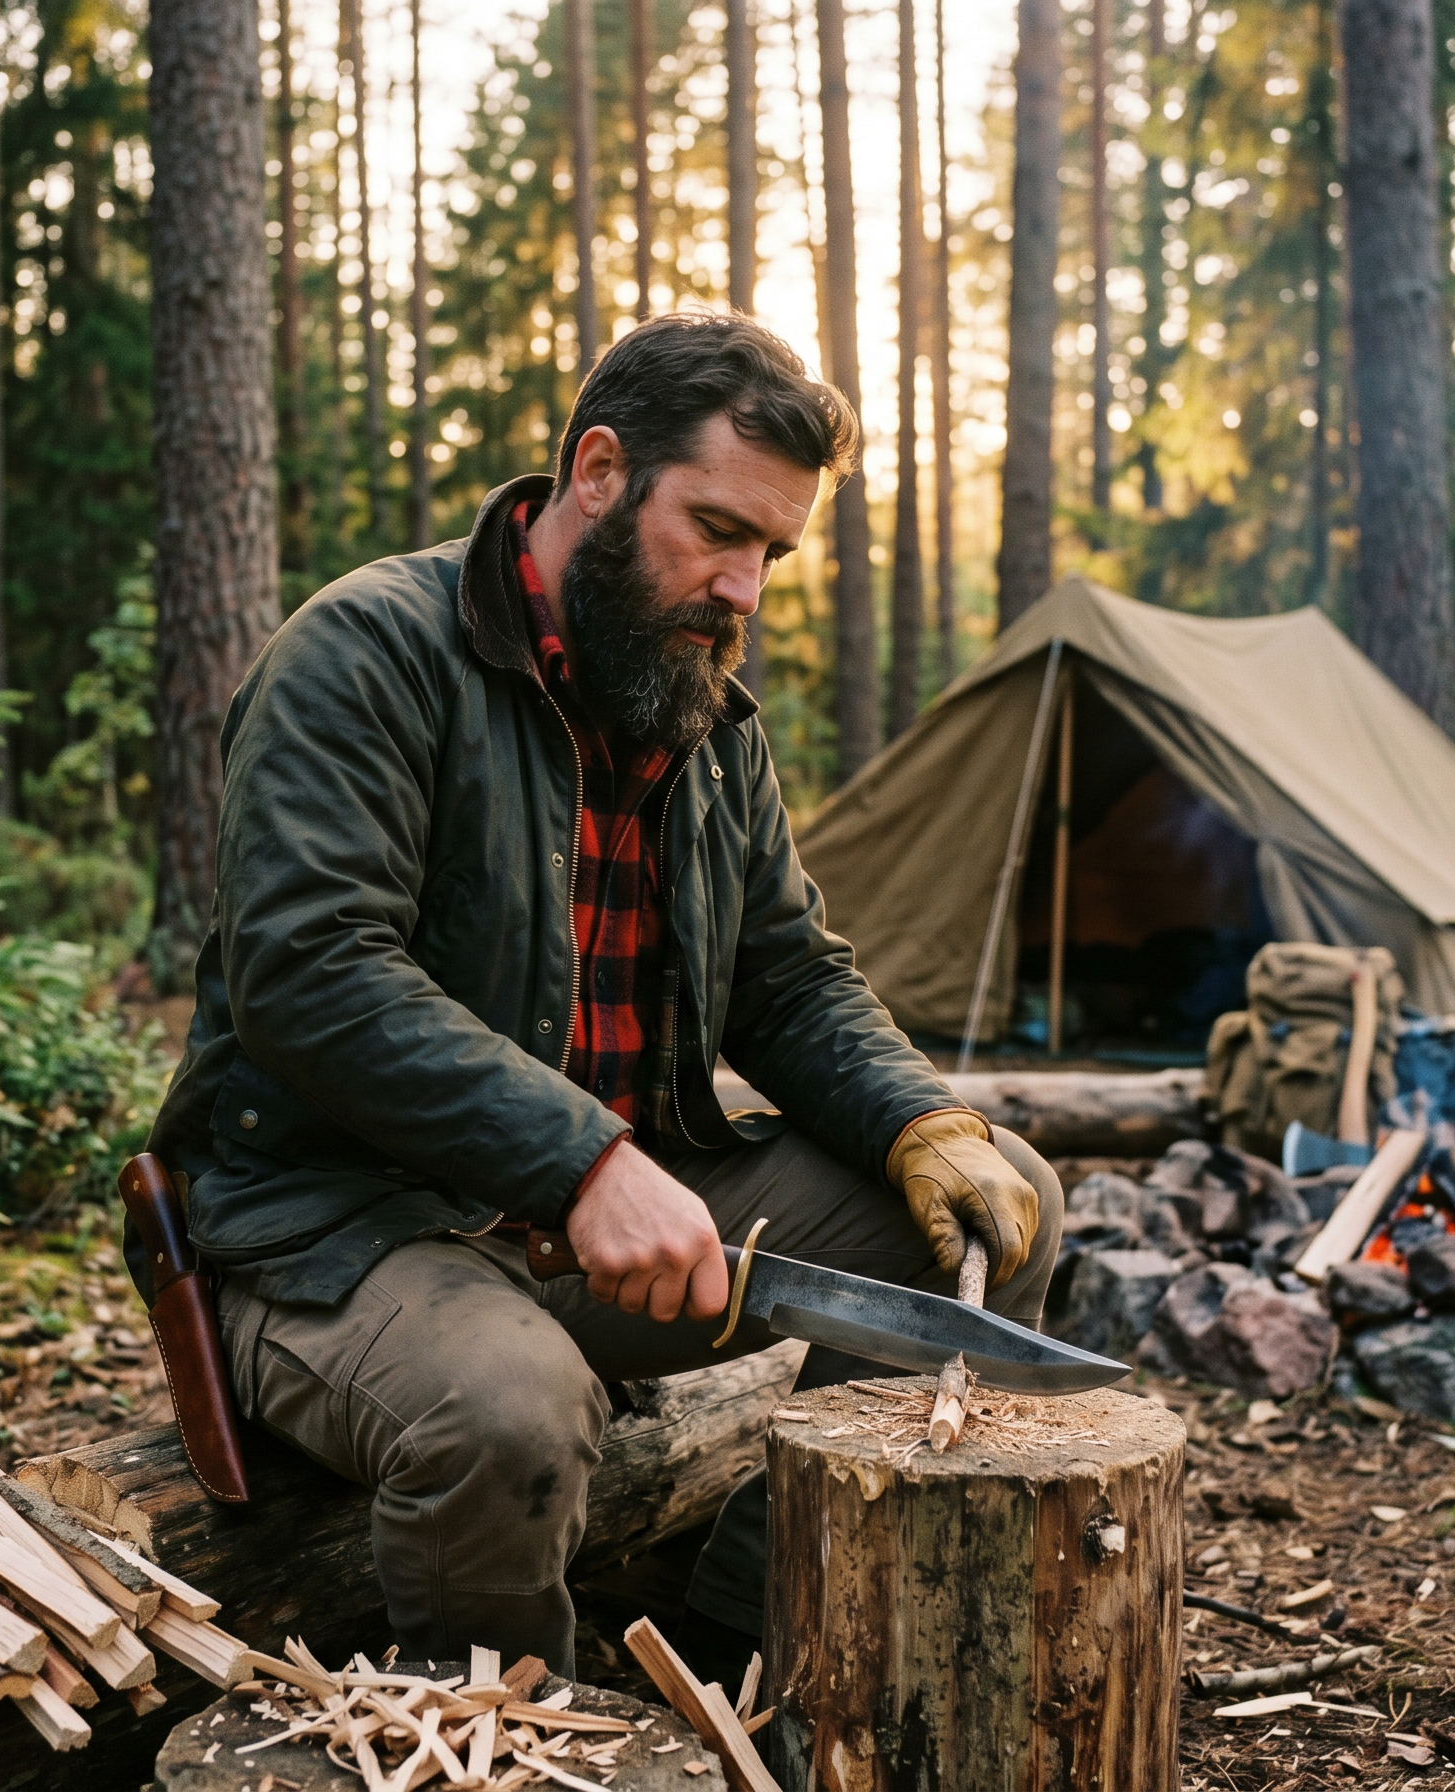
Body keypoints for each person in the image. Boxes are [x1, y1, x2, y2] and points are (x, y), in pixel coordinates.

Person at [145, 313, 1062, 1677]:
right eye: (717, 530)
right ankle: (511, 1742)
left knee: (997, 1210)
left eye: (771, 554)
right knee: (510, 1413)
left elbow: (786, 979)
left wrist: (918, 1119)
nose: (743, 590)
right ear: (597, 471)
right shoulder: (367, 653)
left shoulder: (701, 714)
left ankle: (746, 1657)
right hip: (334, 1229)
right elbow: (311, 971)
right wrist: (582, 1160)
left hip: (592, 1225)